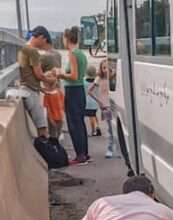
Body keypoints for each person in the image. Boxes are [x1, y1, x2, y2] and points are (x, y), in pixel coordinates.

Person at [59, 26, 91, 166]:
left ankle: (79, 155)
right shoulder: (82, 54)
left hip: (72, 91)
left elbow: (73, 75)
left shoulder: (72, 53)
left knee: (74, 124)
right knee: (80, 123)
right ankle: (84, 152)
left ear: (67, 38)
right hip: (80, 91)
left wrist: (60, 74)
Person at [17, 26, 52, 144]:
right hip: (31, 93)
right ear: (41, 37)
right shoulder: (32, 51)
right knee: (42, 129)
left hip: (25, 89)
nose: (43, 45)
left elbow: (28, 74)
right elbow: (38, 75)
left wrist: (41, 89)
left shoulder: (23, 49)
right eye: (45, 41)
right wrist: (50, 80)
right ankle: (49, 156)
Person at [40, 32, 66, 150]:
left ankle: (54, 141)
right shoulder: (58, 54)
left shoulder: (44, 57)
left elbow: (39, 73)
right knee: (59, 113)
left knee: (51, 122)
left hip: (49, 87)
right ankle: (59, 136)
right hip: (57, 86)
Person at [87, 62, 116, 158]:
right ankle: (110, 149)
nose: (106, 69)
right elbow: (89, 91)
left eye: (107, 67)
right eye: (104, 68)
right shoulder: (98, 79)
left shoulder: (113, 78)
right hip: (105, 107)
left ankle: (117, 149)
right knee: (110, 128)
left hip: (114, 105)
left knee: (117, 127)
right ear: (101, 69)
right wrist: (99, 102)